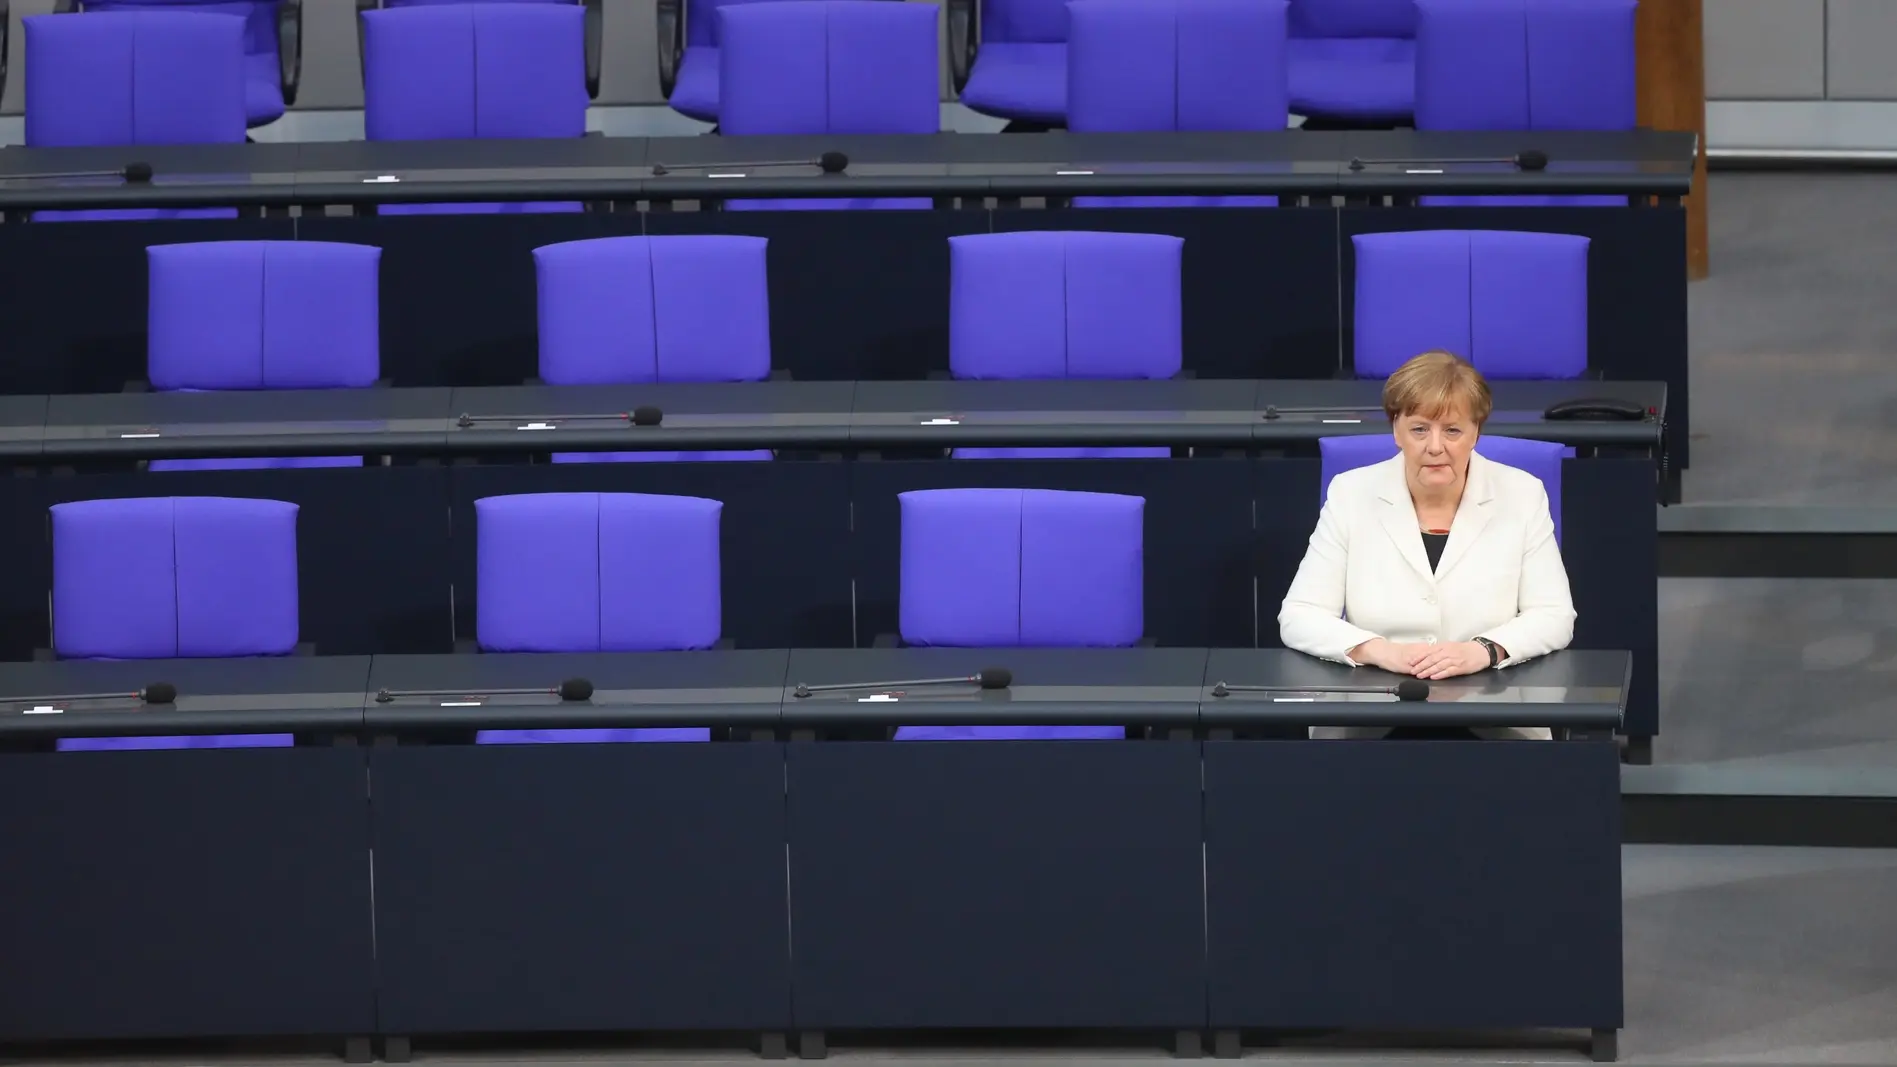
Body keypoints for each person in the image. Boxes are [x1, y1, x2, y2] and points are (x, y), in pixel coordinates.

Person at [1277, 351, 1576, 740]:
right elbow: (1299, 615)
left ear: (1475, 432)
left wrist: (1483, 650)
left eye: (1452, 430)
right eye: (1420, 429)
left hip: (1495, 710)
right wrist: (1379, 650)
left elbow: (1554, 615)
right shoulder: (1351, 493)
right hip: (1370, 711)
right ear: (1396, 430)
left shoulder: (1521, 494)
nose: (1436, 446)